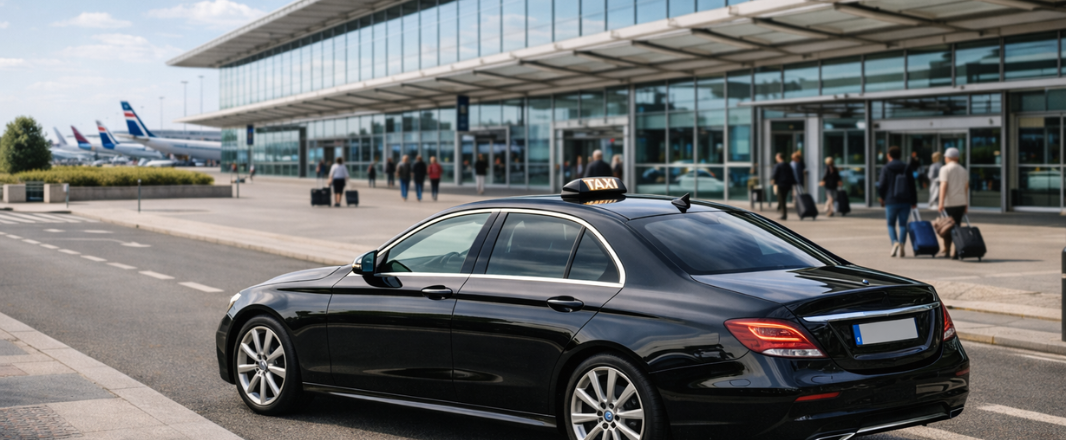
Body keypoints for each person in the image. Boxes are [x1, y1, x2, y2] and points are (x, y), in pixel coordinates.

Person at [877, 146, 919, 258]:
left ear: (889, 155)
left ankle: (894, 242)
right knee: (903, 224)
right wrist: (914, 201)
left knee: (891, 224)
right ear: (900, 155)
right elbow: (912, 185)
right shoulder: (906, 167)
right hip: (905, 200)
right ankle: (901, 244)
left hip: (891, 200)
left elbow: (881, 185)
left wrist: (882, 197)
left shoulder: (886, 168)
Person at [938, 147, 970, 259]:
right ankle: (957, 251)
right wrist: (966, 204)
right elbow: (966, 188)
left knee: (947, 228)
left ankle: (947, 250)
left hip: (949, 203)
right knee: (957, 227)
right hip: (961, 203)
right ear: (957, 158)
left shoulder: (945, 169)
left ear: (948, 157)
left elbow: (943, 185)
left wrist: (940, 202)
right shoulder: (963, 170)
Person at [770, 153, 796, 220]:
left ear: (779, 157)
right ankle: (781, 211)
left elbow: (774, 174)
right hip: (787, 185)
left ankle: (784, 214)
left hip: (781, 184)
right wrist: (794, 182)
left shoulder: (778, 165)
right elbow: (792, 174)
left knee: (781, 200)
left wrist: (772, 180)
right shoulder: (788, 165)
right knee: (783, 199)